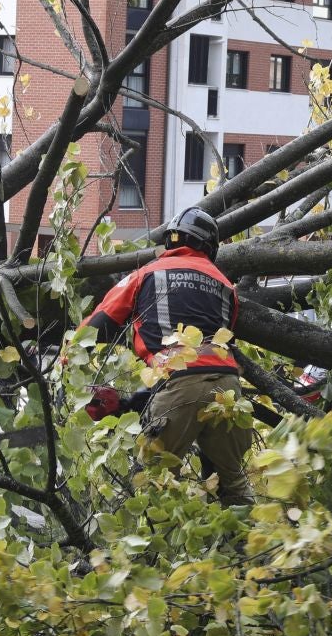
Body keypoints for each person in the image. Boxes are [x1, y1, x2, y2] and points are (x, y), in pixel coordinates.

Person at [78, 207, 253, 505]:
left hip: (178, 381)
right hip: (229, 386)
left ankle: (136, 550)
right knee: (231, 484)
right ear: (210, 248)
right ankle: (246, 548)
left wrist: (68, 372)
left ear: (172, 241)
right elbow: (205, 359)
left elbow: (97, 326)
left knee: (149, 482)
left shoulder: (146, 273)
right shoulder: (226, 287)